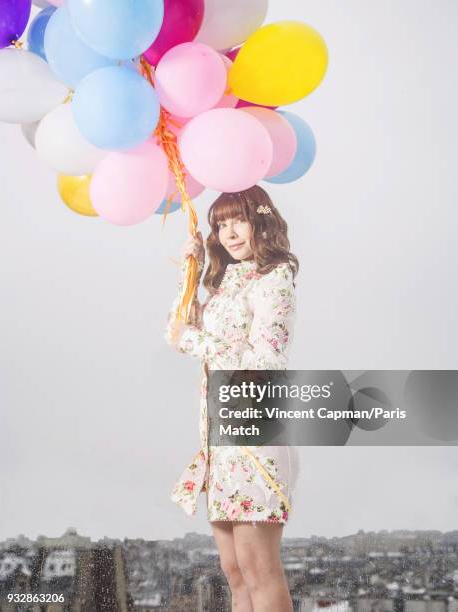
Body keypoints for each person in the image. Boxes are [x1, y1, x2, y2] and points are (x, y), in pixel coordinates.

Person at [165, 185, 300, 612]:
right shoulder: (226, 284)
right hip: (221, 440)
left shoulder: (274, 280)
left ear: (262, 220)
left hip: (255, 435)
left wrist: (196, 343)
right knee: (235, 572)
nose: (229, 233)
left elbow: (264, 361)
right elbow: (177, 329)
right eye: (220, 224)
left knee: (260, 571)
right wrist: (191, 268)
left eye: (238, 220)